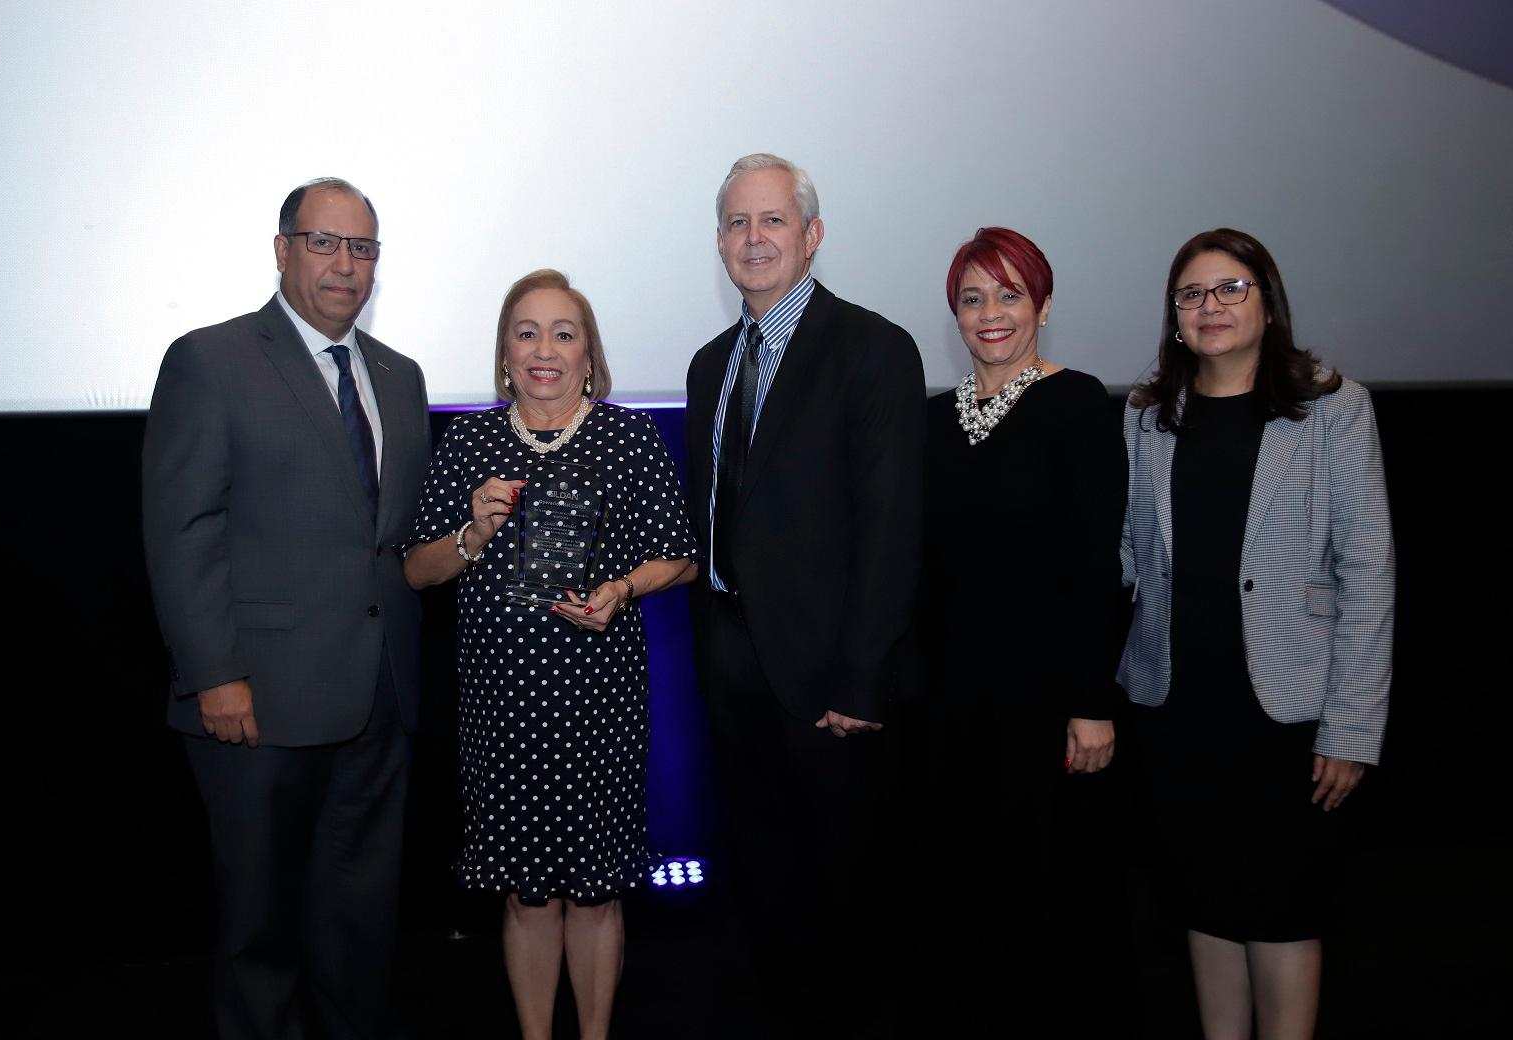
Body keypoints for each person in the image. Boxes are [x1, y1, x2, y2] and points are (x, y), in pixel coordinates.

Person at [142, 177, 431, 1039]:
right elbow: (182, 529)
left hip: (379, 701)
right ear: (282, 250)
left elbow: (392, 540)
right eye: (324, 242)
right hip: (256, 704)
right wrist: (215, 675)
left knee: (359, 926)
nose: (346, 265)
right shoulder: (211, 359)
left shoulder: (400, 377)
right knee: (259, 932)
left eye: (363, 248)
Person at [404, 269, 696, 1040]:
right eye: (526, 332)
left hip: (598, 705)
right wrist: (472, 533)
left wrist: (623, 589)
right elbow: (417, 568)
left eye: (564, 333)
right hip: (503, 709)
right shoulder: (469, 441)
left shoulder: (627, 437)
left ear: (589, 355)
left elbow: (681, 557)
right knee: (527, 895)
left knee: (596, 895)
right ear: (505, 353)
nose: (544, 350)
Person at [1119, 228, 1394, 1039]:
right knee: (1203, 903)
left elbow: (1369, 578)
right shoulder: (1147, 417)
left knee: (1281, 912)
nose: (1212, 308)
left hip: (1289, 713)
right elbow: (1130, 556)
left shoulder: (1332, 408)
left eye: (1230, 289)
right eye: (1193, 294)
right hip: (1175, 708)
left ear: (1267, 303)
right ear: (1174, 316)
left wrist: (1352, 731)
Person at [684, 153, 925, 1039]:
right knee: (766, 886)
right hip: (733, 669)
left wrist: (861, 679)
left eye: (773, 221)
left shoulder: (872, 349)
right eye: (738, 224)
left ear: (812, 236)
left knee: (850, 900)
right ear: (719, 243)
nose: (754, 239)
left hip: (831, 682)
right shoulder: (711, 364)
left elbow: (891, 530)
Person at [909, 227, 1126, 1033]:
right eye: (972, 298)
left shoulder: (1077, 404)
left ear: (1043, 303)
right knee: (961, 901)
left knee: (1046, 901)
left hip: (1047, 709)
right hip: (950, 707)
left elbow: (1095, 565)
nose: (990, 313)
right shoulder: (931, 423)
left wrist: (1091, 701)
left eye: (1009, 294)